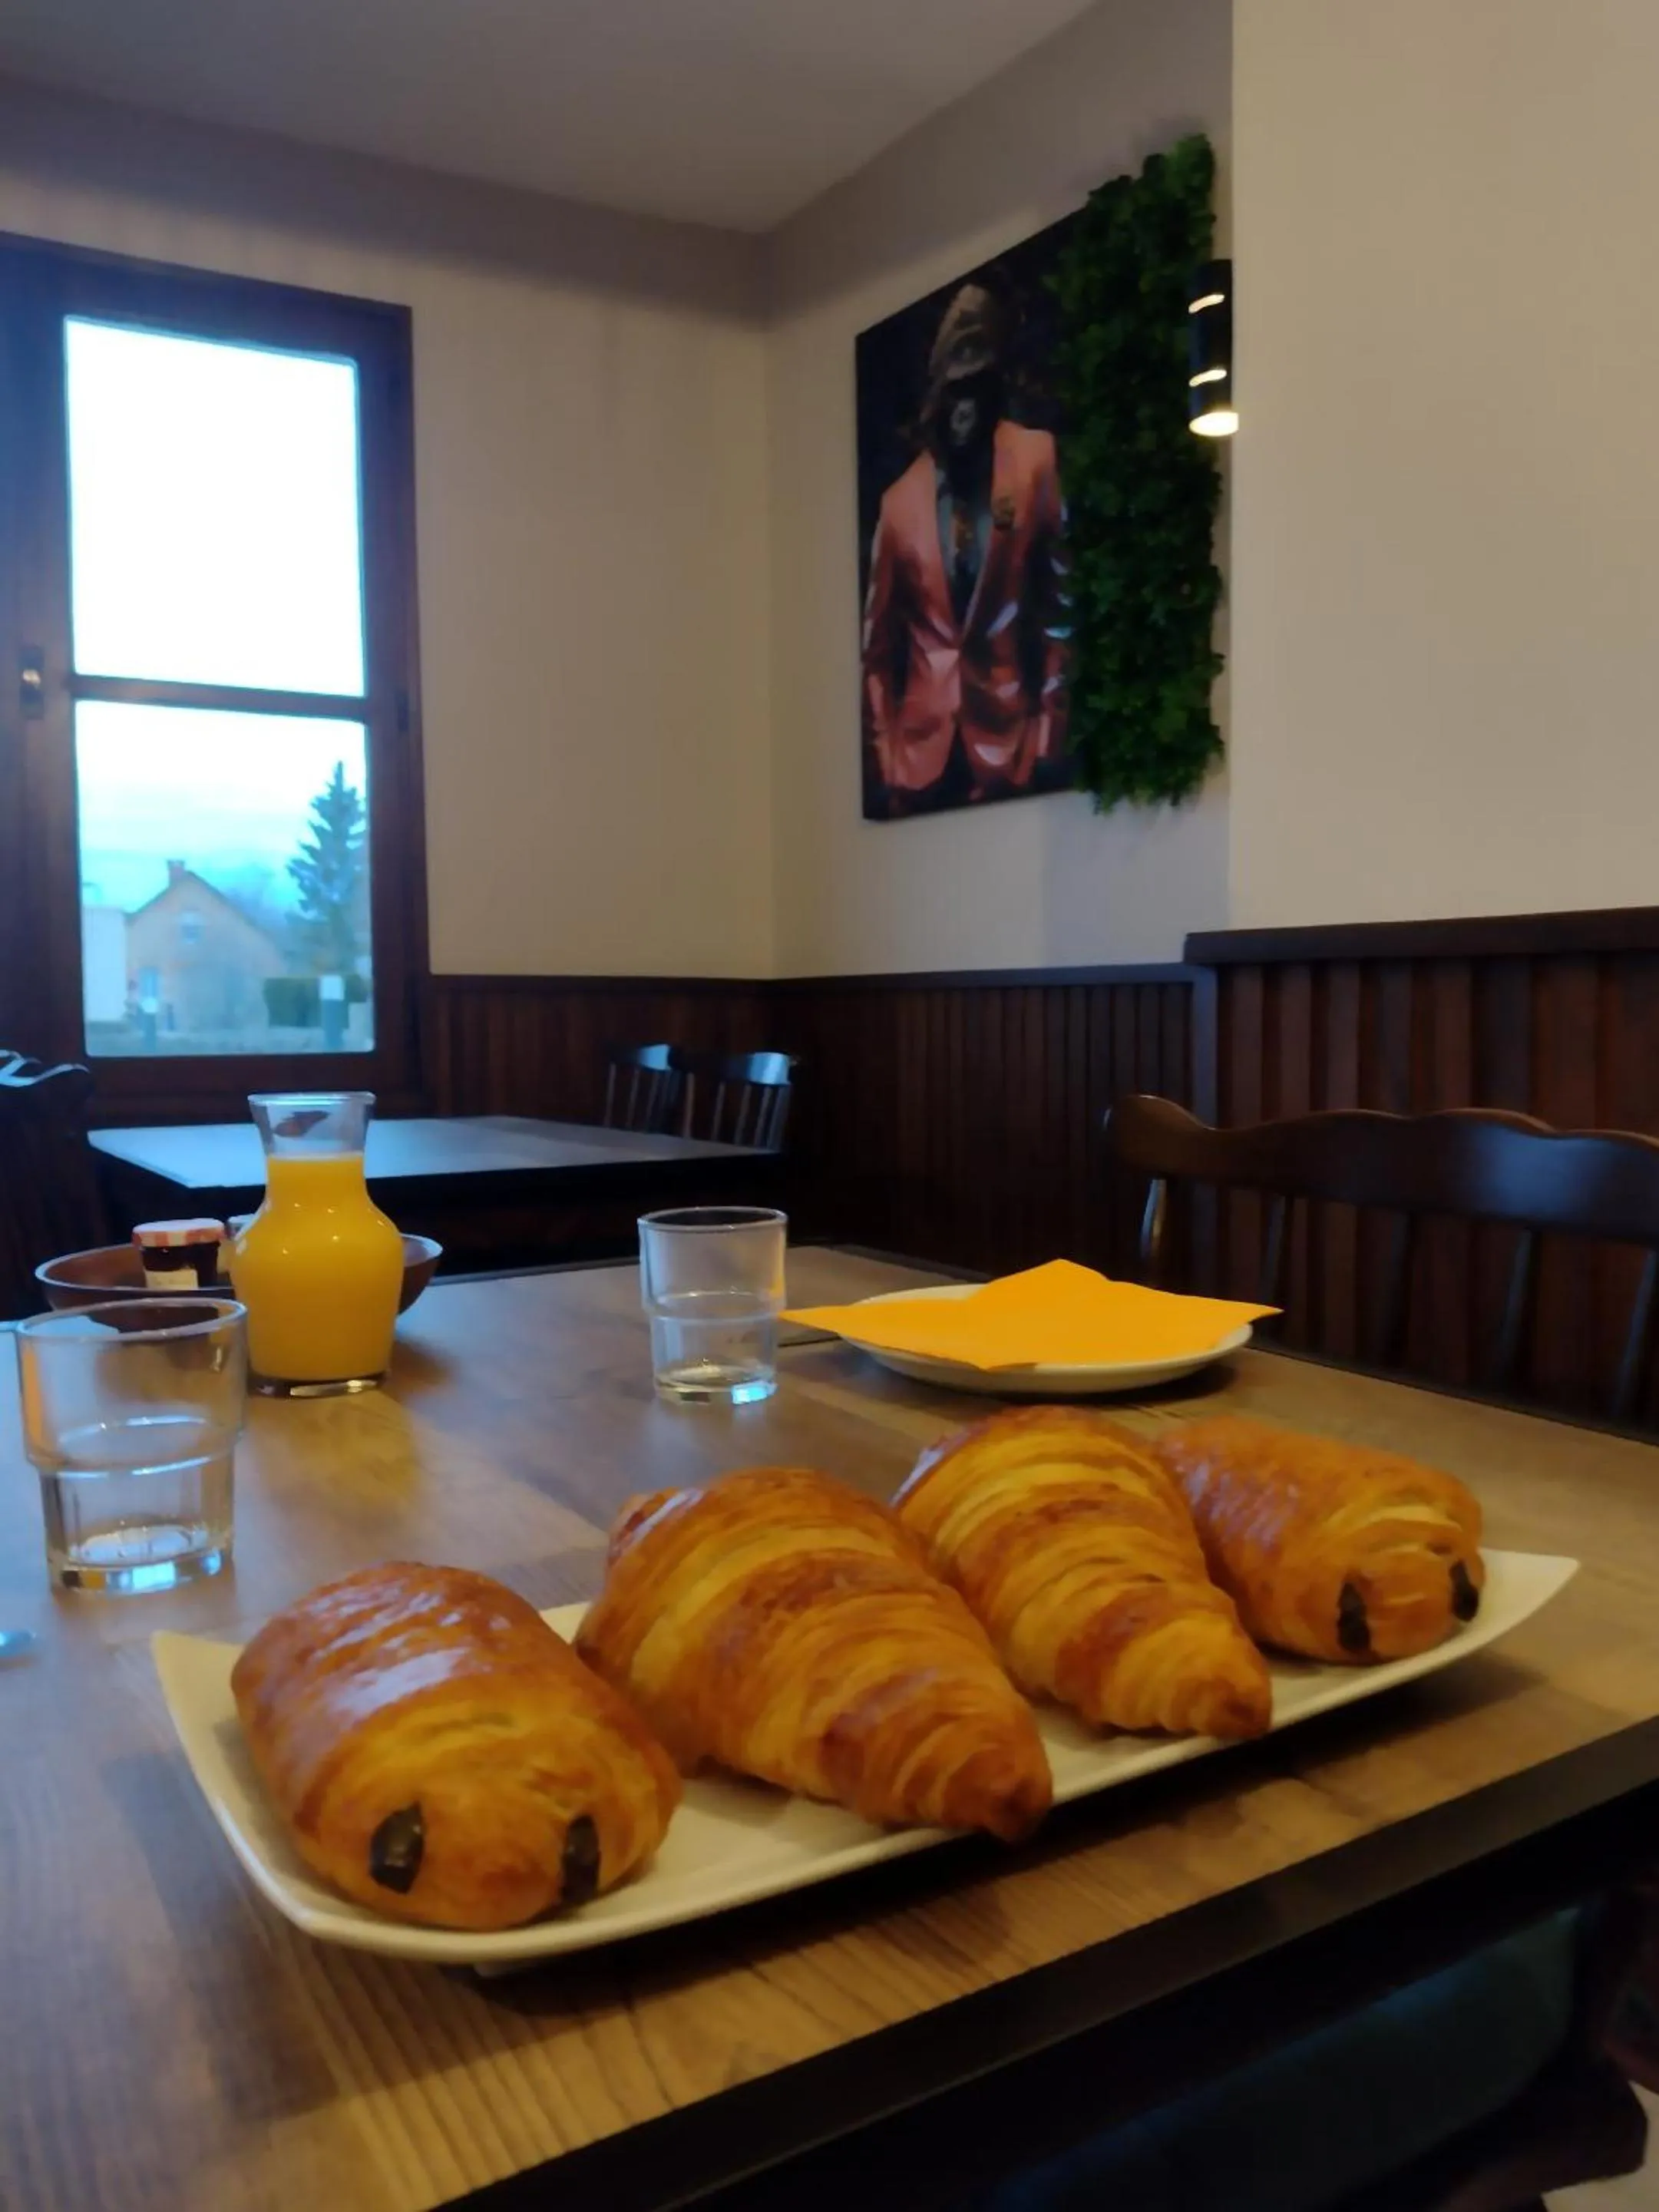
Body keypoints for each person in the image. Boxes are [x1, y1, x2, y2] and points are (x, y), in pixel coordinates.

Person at [861, 280, 1070, 814]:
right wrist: (887, 756)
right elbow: (877, 649)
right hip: (920, 764)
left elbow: (1061, 606)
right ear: (937, 395)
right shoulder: (899, 503)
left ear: (994, 392)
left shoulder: (1034, 461)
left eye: (976, 390)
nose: (964, 410)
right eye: (955, 391)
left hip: (1009, 747)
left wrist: (1048, 731)